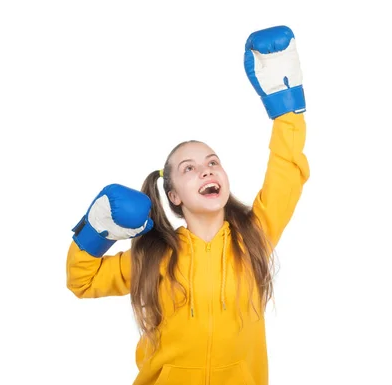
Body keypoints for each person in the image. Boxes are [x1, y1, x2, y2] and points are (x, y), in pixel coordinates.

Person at [66, 25, 310, 385]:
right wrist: (97, 228)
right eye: (189, 168)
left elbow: (287, 173)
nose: (206, 170)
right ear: (174, 195)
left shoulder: (255, 236)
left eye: (213, 162)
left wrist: (286, 110)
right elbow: (82, 281)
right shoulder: (155, 255)